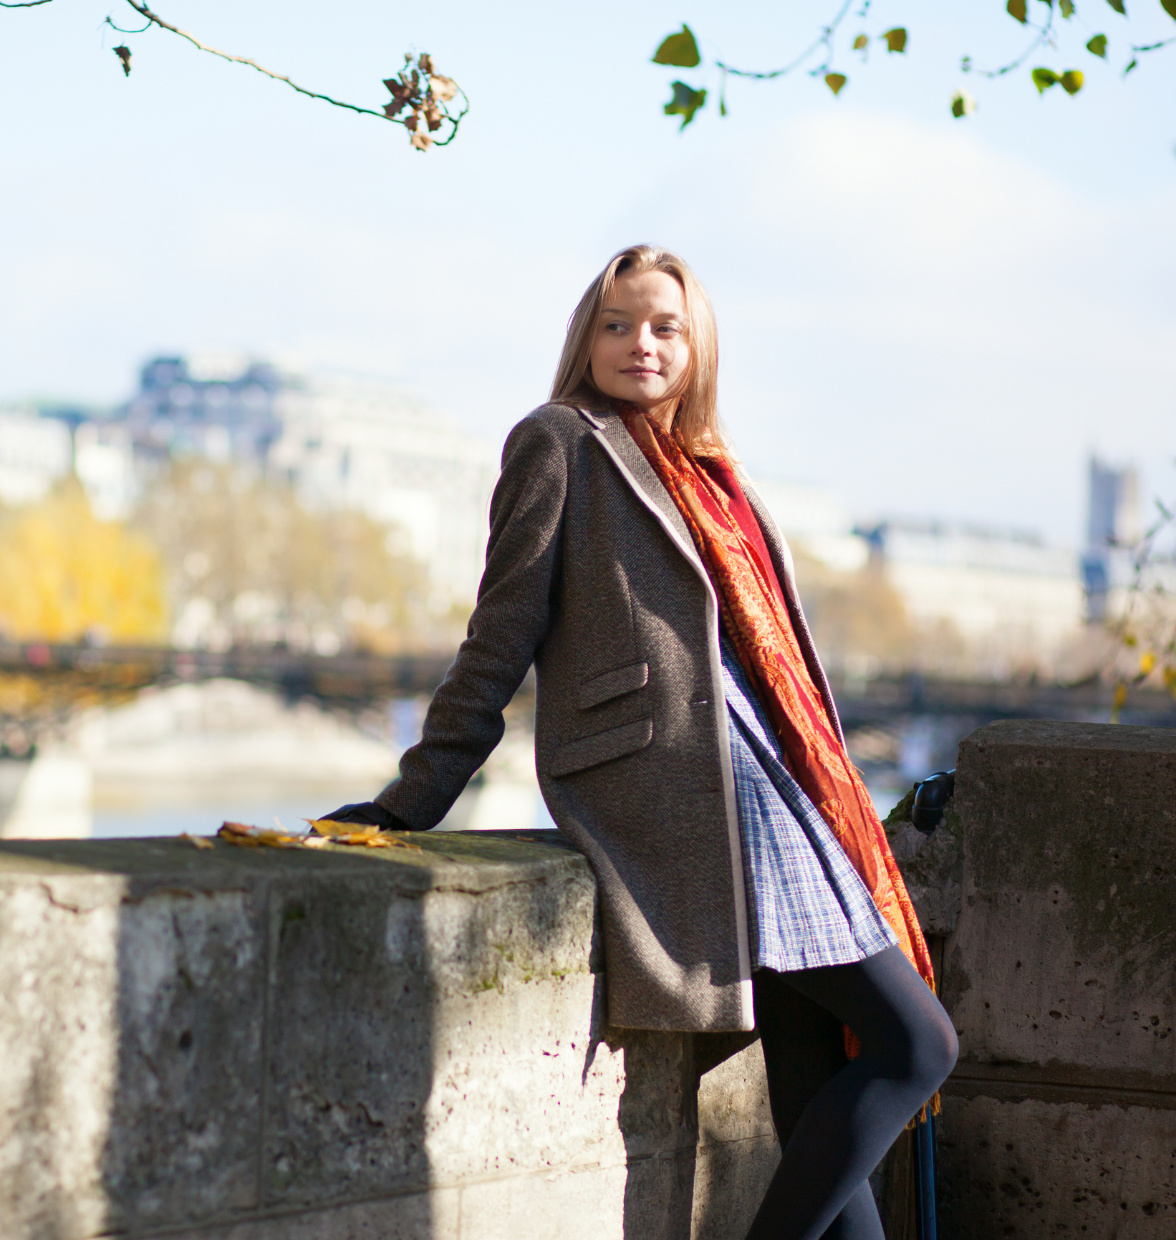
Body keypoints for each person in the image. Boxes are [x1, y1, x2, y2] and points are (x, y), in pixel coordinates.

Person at [323, 244, 956, 1240]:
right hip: (680, 784)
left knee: (811, 1083)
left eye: (662, 326)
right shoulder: (559, 441)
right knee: (915, 1043)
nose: (639, 344)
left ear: (695, 343)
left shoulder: (717, 475)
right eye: (615, 324)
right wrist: (414, 798)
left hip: (776, 781)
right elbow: (501, 630)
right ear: (585, 340)